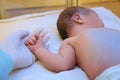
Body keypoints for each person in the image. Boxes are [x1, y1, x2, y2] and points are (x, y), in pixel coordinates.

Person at [25, 7, 120, 80]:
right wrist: (39, 49)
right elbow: (62, 64)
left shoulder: (110, 30)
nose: (103, 22)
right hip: (114, 71)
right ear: (78, 18)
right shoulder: (71, 42)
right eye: (98, 17)